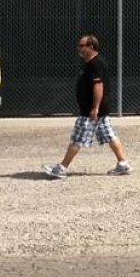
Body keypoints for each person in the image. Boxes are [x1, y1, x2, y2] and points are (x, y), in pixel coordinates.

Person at [44, 35, 132, 178]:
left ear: (91, 47)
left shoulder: (95, 64)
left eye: (81, 45)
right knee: (110, 136)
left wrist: (95, 108)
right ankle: (123, 163)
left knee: (77, 139)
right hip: (99, 111)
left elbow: (98, 86)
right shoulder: (91, 62)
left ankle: (61, 168)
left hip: (91, 112)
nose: (79, 48)